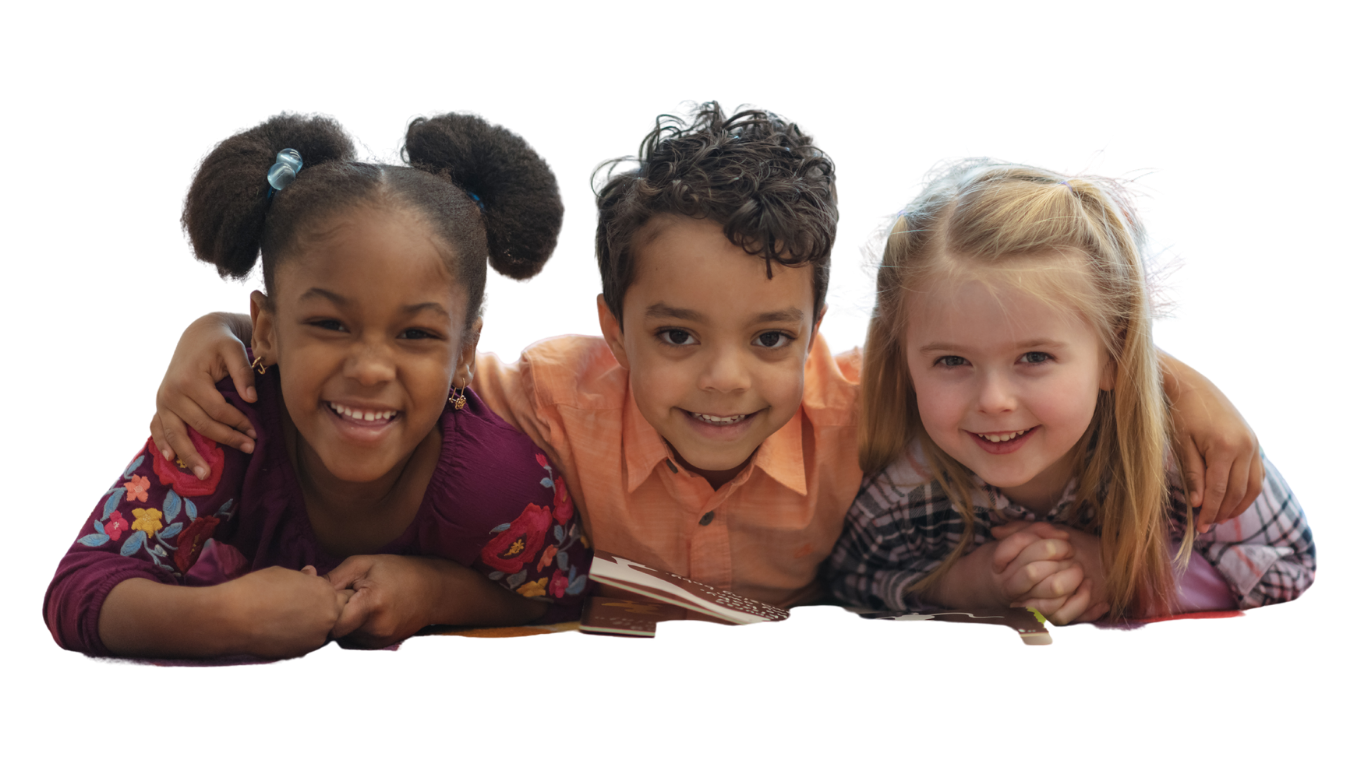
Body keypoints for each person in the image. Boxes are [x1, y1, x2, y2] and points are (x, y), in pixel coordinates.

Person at [144, 103, 1264, 609]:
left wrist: (1169, 377)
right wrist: (226, 333)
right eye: (676, 337)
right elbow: (399, 366)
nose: (724, 379)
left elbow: (999, 354)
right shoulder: (548, 395)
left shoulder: (868, 408)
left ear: (820, 331)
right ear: (612, 325)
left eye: (771, 339)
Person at [44, 110, 589, 660]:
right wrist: (226, 619)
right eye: (330, 324)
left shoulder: (503, 484)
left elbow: (562, 594)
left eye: (416, 333)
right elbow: (79, 588)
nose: (370, 370)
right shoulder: (223, 426)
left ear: (465, 357)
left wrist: (433, 593)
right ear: (266, 331)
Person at [823, 148, 1315, 624]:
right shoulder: (906, 489)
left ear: (1112, 357)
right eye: (952, 361)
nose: (994, 401)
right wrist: (962, 587)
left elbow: (1290, 564)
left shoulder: (1184, 460)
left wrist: (1126, 577)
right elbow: (849, 582)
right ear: (904, 363)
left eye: (1035, 358)